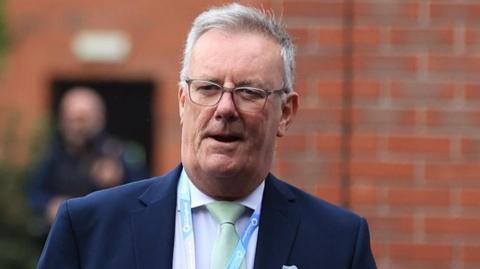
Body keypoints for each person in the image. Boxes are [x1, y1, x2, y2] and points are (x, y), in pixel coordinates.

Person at [36, 3, 377, 269]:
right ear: (183, 102)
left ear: (285, 113)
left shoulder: (339, 243)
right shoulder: (88, 229)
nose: (225, 108)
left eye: (248, 91)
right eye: (208, 87)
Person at [26, 87, 148, 226]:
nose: (76, 127)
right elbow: (33, 192)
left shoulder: (119, 152)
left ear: (99, 119)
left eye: (82, 120)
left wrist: (121, 177)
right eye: (70, 120)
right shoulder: (53, 153)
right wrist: (50, 204)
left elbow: (144, 193)